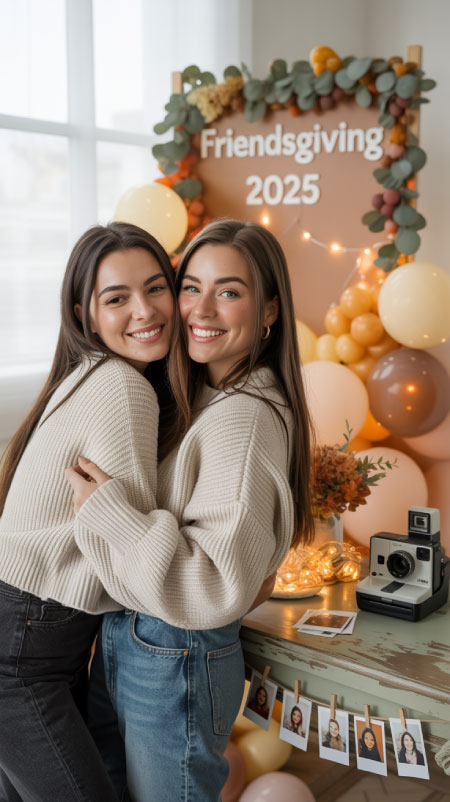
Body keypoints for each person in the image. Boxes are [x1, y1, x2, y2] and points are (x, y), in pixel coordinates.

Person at [66, 218, 314, 802]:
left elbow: (212, 586)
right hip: (136, 634)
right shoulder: (201, 394)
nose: (200, 309)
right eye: (189, 287)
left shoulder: (245, 418)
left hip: (174, 650)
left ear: (270, 311)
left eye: (229, 292)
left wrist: (112, 514)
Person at [0, 221, 177, 802]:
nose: (145, 310)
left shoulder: (86, 375)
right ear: (85, 315)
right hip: (21, 648)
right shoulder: (125, 387)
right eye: (117, 298)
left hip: (26, 634)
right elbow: (131, 558)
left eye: (156, 288)